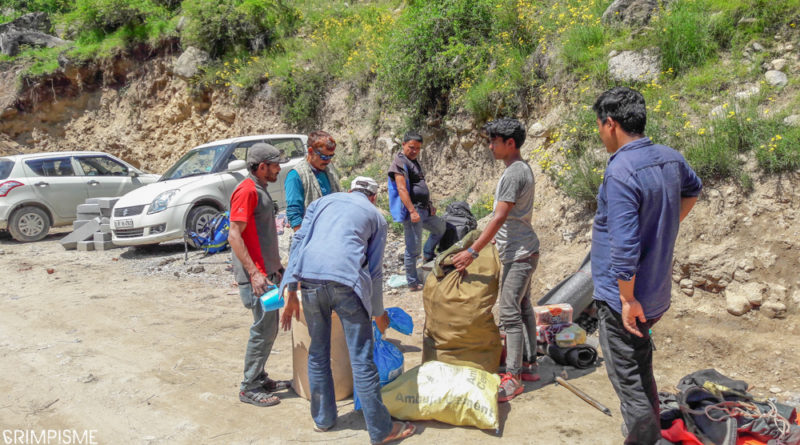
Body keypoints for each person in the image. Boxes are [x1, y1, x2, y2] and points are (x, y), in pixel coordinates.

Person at [590, 87, 702, 444]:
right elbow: (693, 189)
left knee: (628, 380)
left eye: (598, 125)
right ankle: (649, 426)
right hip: (655, 293)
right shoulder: (669, 157)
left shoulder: (621, 170)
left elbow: (623, 247)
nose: (599, 132)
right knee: (640, 365)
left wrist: (626, 300)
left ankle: (643, 436)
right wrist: (668, 224)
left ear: (611, 123)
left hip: (626, 298)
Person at [279, 177, 416, 444]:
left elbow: (298, 242)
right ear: (374, 197)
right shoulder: (376, 217)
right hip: (347, 284)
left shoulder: (321, 203)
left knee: (318, 354)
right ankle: (380, 430)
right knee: (361, 358)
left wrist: (290, 289)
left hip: (309, 280)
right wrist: (377, 313)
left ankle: (323, 420)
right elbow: (375, 272)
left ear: (350, 190)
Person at [451, 118, 541, 402]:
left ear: (510, 143)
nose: (490, 146)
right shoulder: (518, 169)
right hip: (522, 249)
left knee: (510, 312)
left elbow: (500, 216)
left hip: (519, 252)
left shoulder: (514, 173)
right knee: (523, 306)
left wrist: (472, 251)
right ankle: (529, 363)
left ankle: (513, 377)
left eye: (494, 142)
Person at [227, 143, 292, 407]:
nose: (278, 169)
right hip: (258, 279)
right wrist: (254, 273)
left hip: (267, 274)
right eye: (275, 165)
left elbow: (261, 236)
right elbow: (234, 235)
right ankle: (249, 387)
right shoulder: (246, 191)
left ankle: (259, 376)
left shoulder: (259, 190)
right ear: (261, 166)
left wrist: (277, 267)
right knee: (262, 330)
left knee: (269, 328)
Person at [388, 131, 446, 291]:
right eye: (411, 147)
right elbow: (401, 188)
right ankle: (413, 282)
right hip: (413, 210)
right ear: (403, 145)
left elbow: (420, 185)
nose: (414, 151)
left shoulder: (413, 161)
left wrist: (430, 204)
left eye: (418, 148)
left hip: (424, 209)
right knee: (413, 248)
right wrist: (412, 211)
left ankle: (428, 253)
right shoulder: (399, 162)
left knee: (440, 228)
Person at [284, 130, 342, 231]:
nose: (328, 161)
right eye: (324, 157)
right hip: (313, 235)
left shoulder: (329, 169)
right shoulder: (296, 175)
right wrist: (304, 240)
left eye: (331, 156)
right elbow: (294, 214)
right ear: (311, 151)